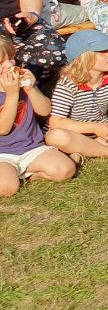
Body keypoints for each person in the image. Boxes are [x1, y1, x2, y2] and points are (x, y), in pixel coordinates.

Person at [0, 36, 77, 196]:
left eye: (11, 58)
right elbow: (3, 129)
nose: (9, 65)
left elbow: (45, 110)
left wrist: (32, 89)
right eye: (1, 63)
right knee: (6, 188)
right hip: (3, 154)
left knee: (66, 170)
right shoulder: (13, 91)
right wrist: (12, 95)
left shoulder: (22, 83)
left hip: (31, 147)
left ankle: (28, 175)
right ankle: (14, 175)